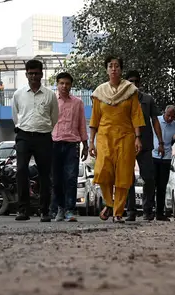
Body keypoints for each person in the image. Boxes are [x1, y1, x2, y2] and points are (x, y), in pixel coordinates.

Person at [89, 56, 145, 223]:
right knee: (102, 171)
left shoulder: (130, 90)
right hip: (104, 136)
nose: (114, 69)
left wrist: (138, 138)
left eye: (117, 66)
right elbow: (94, 119)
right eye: (110, 66)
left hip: (126, 136)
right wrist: (91, 141)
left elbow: (136, 115)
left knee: (124, 174)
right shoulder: (99, 92)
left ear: (121, 70)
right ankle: (110, 203)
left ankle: (118, 212)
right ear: (106, 70)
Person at [12, 59, 59, 222]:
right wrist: (22, 127)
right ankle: (23, 210)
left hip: (44, 136)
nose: (33, 76)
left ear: (41, 74)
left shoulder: (50, 95)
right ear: (26, 75)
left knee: (45, 174)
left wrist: (44, 128)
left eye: (36, 73)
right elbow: (15, 116)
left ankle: (45, 211)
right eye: (30, 73)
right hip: (24, 135)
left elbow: (54, 117)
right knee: (21, 171)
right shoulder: (18, 94)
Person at [124, 70, 164, 221]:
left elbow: (155, 120)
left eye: (135, 81)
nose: (133, 84)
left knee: (148, 177)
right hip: (127, 143)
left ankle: (148, 210)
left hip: (145, 144)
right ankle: (131, 211)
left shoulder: (148, 99)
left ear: (139, 83)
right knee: (128, 179)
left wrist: (160, 142)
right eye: (130, 82)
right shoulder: (123, 99)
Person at [51, 72, 88, 222]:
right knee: (57, 179)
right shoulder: (52, 101)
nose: (64, 86)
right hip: (54, 142)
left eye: (67, 83)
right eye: (61, 83)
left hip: (72, 144)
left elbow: (82, 124)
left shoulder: (78, 103)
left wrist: (85, 145)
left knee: (71, 178)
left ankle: (70, 210)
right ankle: (59, 207)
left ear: (71, 85)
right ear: (57, 84)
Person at [152, 105, 175, 221]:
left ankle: (160, 212)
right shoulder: (155, 120)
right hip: (153, 156)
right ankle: (148, 211)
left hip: (166, 158)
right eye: (168, 115)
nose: (170, 118)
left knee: (162, 186)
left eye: (172, 117)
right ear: (164, 112)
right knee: (150, 184)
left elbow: (173, 141)